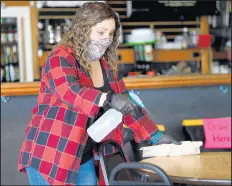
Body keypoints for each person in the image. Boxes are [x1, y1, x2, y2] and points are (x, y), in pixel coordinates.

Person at [18, 2, 180, 185]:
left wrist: (155, 136)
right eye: (100, 32)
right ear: (83, 29)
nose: (106, 39)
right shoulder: (60, 57)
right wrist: (108, 98)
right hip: (52, 152)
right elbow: (71, 93)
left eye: (111, 34)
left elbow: (127, 105)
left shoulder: (106, 65)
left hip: (84, 155)